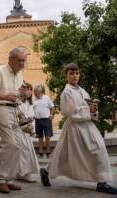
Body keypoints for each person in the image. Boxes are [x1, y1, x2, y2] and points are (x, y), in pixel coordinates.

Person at [40, 63, 117, 194]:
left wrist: (93, 110)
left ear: (79, 75)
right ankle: (46, 171)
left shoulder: (82, 91)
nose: (74, 76)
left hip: (87, 126)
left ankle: (101, 182)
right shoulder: (67, 92)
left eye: (77, 73)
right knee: (63, 155)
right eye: (71, 73)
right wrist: (88, 109)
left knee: (98, 149)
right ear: (66, 76)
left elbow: (88, 108)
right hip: (74, 128)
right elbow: (69, 111)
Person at [0, 48, 26, 193]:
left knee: (19, 145)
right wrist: (4, 96)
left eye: (24, 60)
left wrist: (23, 95)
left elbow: (18, 96)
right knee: (10, 143)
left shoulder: (20, 74)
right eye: (20, 60)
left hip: (15, 110)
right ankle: (1, 179)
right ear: (11, 59)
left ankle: (9, 179)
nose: (22, 63)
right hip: (1, 108)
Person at [16, 82, 39, 182]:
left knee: (27, 151)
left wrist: (31, 120)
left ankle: (23, 172)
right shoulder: (18, 102)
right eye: (26, 89)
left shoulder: (29, 103)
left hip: (26, 131)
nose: (28, 92)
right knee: (23, 151)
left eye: (30, 90)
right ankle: (21, 173)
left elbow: (32, 114)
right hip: (19, 130)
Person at [33, 85, 55, 159]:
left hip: (46, 119)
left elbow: (52, 107)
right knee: (40, 137)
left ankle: (48, 152)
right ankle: (41, 152)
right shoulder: (34, 99)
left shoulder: (46, 98)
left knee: (47, 136)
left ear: (40, 91)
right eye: (34, 92)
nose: (34, 93)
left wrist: (51, 115)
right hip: (37, 120)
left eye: (35, 92)